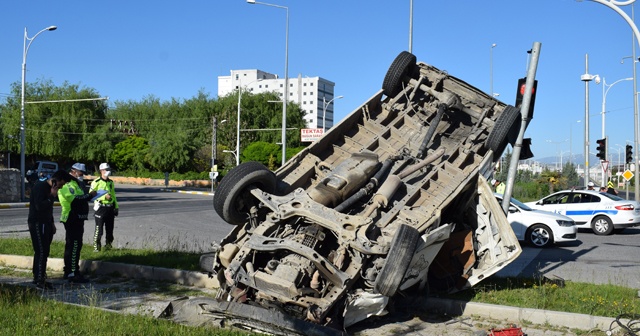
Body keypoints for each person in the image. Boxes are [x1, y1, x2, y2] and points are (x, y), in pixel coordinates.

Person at [28, 170, 66, 290]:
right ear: (56, 181)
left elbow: (49, 209)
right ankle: (40, 279)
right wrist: (51, 196)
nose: (61, 187)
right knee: (41, 251)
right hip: (38, 222)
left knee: (43, 251)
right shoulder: (40, 187)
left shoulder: (51, 190)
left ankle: (39, 276)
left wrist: (52, 223)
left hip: (46, 222)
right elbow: (40, 206)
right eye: (61, 184)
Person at [58, 163, 96, 283]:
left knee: (75, 245)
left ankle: (70, 270)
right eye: (81, 173)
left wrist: (88, 195)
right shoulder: (67, 184)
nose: (82, 176)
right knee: (73, 246)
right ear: (73, 171)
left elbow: (82, 196)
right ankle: (72, 272)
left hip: (78, 218)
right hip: (71, 218)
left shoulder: (76, 184)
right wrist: (89, 196)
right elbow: (75, 200)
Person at [91, 163, 119, 252]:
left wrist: (116, 207)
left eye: (109, 169)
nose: (108, 171)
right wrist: (103, 197)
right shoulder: (96, 182)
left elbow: (113, 195)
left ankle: (108, 246)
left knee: (110, 230)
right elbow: (91, 195)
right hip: (100, 208)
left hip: (110, 208)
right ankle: (96, 248)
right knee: (99, 230)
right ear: (101, 171)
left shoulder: (111, 182)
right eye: (106, 170)